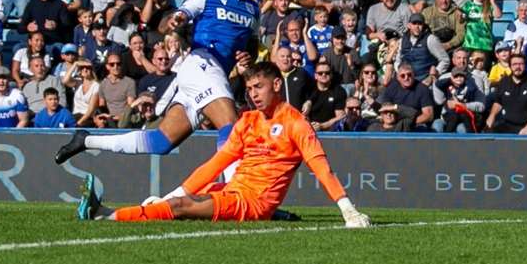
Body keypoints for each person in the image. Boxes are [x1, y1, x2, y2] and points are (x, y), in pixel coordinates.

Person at [76, 61, 370, 227]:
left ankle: (106, 216)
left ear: (277, 85)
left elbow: (321, 167)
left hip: (252, 204)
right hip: (232, 190)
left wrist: (348, 209)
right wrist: (173, 191)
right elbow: (216, 164)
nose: (253, 94)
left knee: (179, 206)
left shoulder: (296, 123)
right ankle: (103, 211)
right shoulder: (248, 120)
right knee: (183, 198)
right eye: (250, 88)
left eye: (259, 87)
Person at [55, 0, 257, 188]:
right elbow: (183, 13)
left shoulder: (252, 8)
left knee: (161, 142)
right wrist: (178, 19)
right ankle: (237, 194)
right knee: (230, 124)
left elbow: (252, 45)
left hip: (212, 74)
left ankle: (86, 140)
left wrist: (248, 56)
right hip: (202, 63)